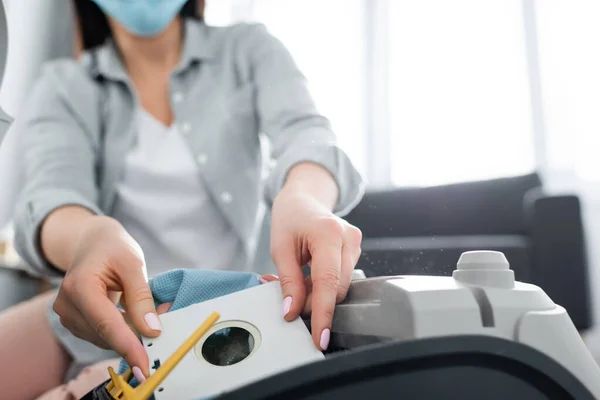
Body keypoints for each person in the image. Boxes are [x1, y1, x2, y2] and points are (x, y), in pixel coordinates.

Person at [0, 0, 364, 398]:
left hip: (236, 314)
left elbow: (306, 136)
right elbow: (51, 195)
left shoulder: (247, 50)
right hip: (109, 315)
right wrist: (88, 236)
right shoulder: (64, 86)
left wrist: (302, 198)